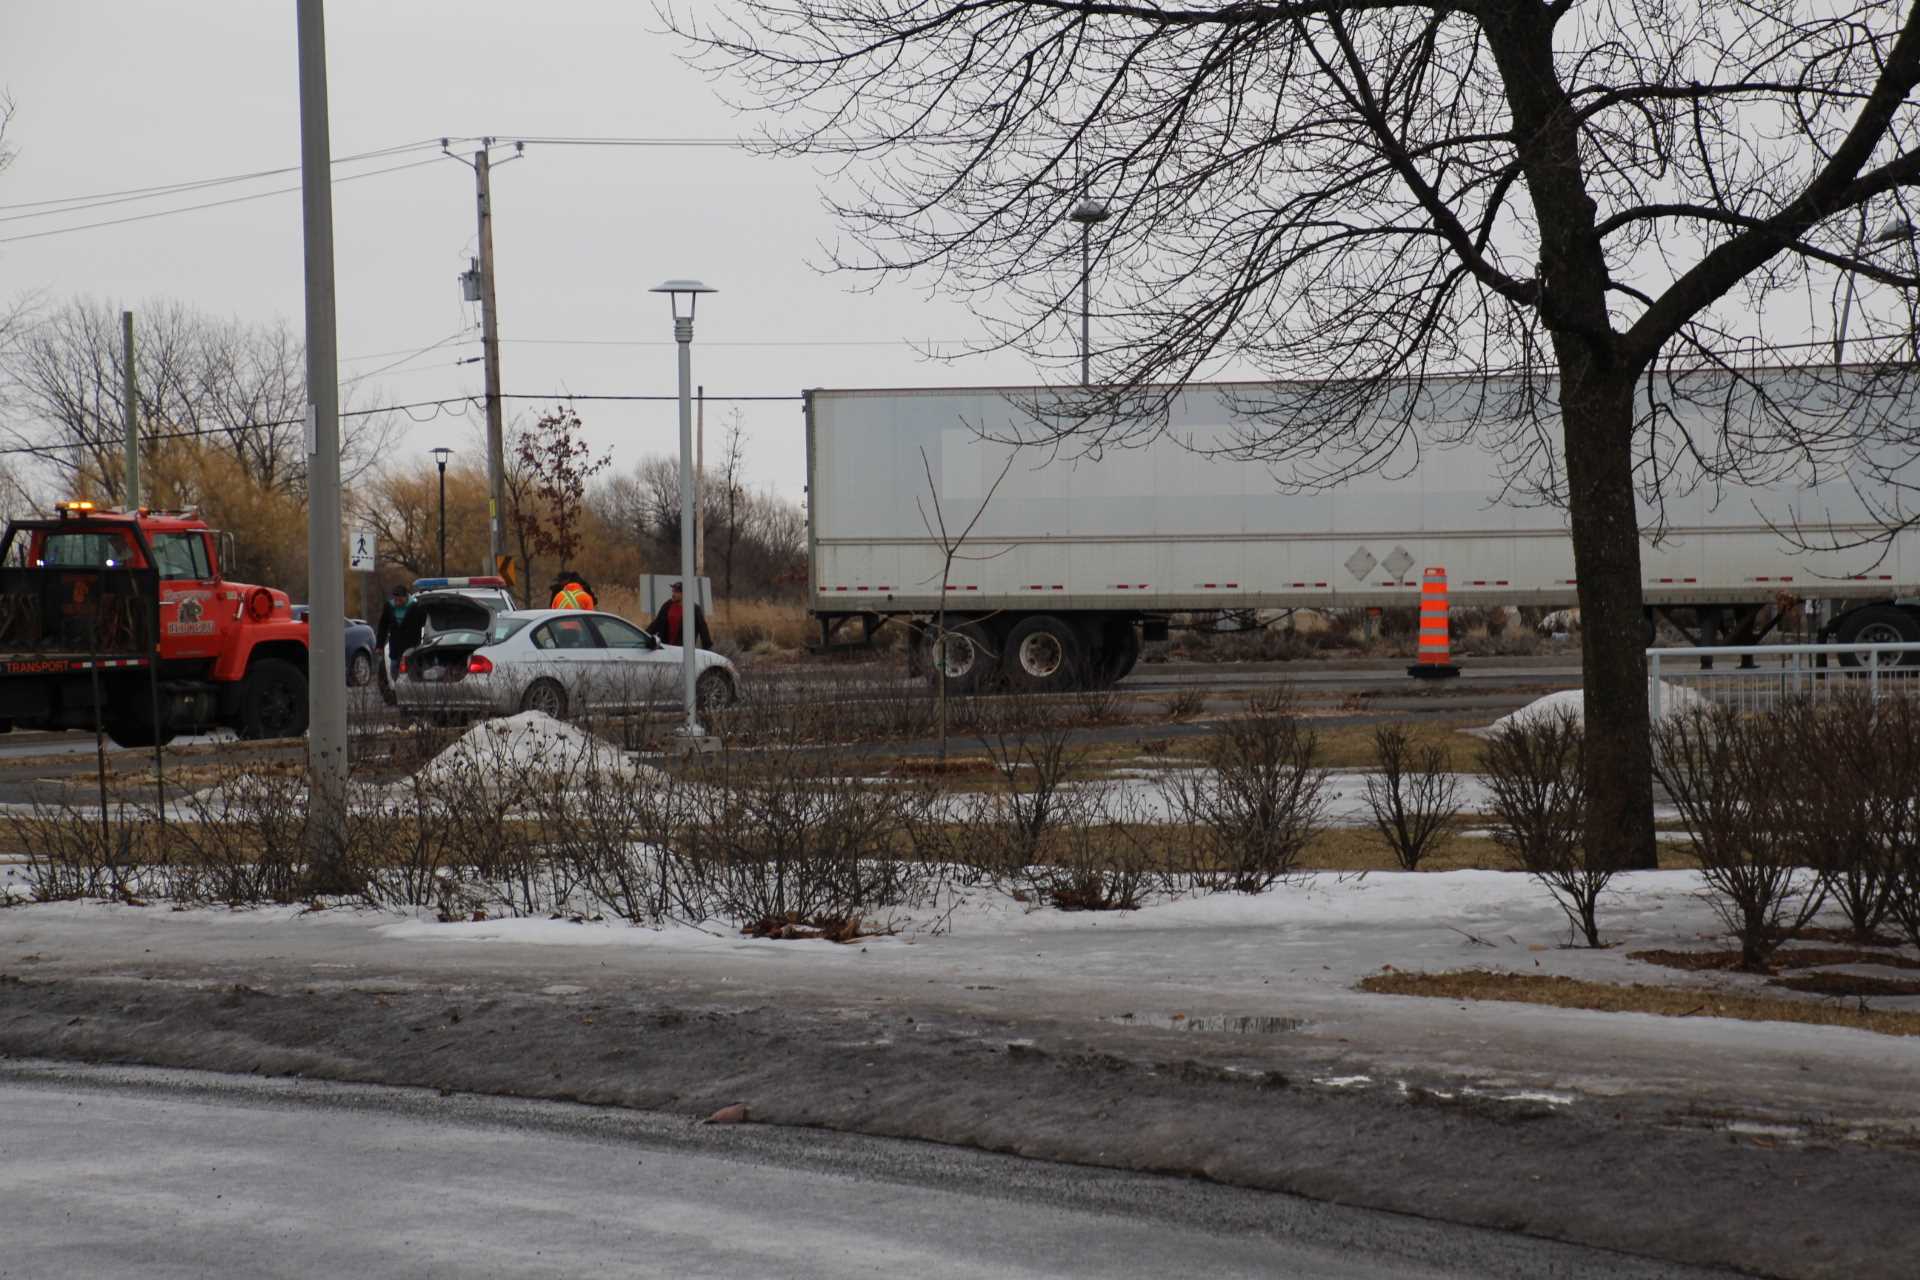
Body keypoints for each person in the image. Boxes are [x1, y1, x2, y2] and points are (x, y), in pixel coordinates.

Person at [646, 580, 712, 649]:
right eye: (673, 591)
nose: (673, 594)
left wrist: (707, 647)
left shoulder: (693, 609)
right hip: (665, 647)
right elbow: (656, 622)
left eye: (677, 592)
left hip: (683, 650)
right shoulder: (667, 605)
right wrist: (645, 635)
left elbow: (703, 628)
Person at [374, 584, 411, 684]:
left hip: (411, 646)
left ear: (406, 597)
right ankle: (397, 689)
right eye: (395, 599)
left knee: (410, 673)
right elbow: (383, 627)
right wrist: (379, 645)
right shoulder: (389, 607)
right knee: (394, 669)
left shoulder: (414, 606)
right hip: (395, 646)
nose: (397, 602)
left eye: (400, 599)